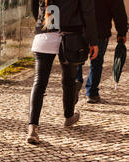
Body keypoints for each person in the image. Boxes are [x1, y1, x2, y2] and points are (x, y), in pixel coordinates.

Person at [27, 0, 99, 145]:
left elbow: (34, 5)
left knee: (39, 83)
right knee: (69, 79)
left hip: (45, 34)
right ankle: (68, 116)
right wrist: (93, 41)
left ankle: (32, 128)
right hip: (70, 36)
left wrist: (43, 23)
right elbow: (88, 12)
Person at [75, 0, 128, 104]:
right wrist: (121, 32)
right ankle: (92, 93)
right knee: (97, 62)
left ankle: (75, 83)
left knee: (76, 60)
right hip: (100, 30)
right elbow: (118, 10)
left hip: (79, 30)